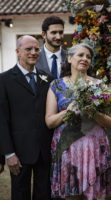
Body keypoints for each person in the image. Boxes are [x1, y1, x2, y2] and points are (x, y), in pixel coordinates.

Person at [45, 43, 111, 200]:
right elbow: (49, 121)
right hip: (68, 147)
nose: (85, 59)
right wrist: (68, 112)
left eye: (88, 57)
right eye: (80, 55)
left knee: (93, 195)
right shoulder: (56, 86)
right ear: (69, 58)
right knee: (71, 195)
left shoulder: (100, 85)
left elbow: (110, 122)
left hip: (94, 146)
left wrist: (93, 112)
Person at [0, 35, 53, 200]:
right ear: (17, 51)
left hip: (45, 151)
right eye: (28, 49)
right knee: (20, 194)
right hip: (19, 152)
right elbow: (1, 120)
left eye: (37, 49)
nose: (33, 52)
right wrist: (8, 154)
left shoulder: (48, 79)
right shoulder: (4, 80)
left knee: (44, 194)